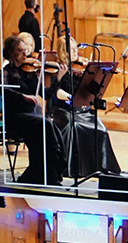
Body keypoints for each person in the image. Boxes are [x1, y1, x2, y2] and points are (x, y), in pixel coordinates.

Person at [48, 36, 121, 177]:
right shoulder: (57, 69)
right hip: (65, 111)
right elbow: (56, 92)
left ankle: (99, 167)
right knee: (74, 127)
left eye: (76, 48)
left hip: (84, 111)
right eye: (72, 49)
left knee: (101, 129)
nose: (76, 52)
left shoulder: (79, 68)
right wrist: (69, 94)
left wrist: (93, 75)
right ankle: (73, 169)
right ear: (64, 52)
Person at [0, 34, 65, 185]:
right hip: (16, 116)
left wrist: (58, 78)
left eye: (25, 50)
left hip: (32, 116)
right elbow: (3, 91)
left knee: (51, 125)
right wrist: (22, 96)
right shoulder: (6, 71)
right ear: (11, 53)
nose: (25, 53)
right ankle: (44, 174)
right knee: (45, 124)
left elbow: (46, 94)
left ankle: (49, 172)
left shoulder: (30, 72)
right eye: (20, 50)